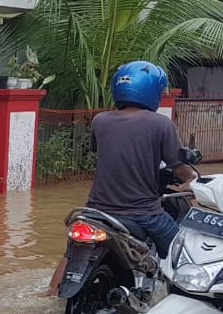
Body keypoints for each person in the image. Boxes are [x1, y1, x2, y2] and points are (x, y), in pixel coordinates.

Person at [83, 60, 198, 258]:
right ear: (152, 90)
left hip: (96, 210)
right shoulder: (161, 124)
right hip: (144, 213)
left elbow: (100, 151)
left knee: (72, 253)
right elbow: (178, 168)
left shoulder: (99, 120)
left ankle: (52, 289)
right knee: (183, 254)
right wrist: (195, 180)